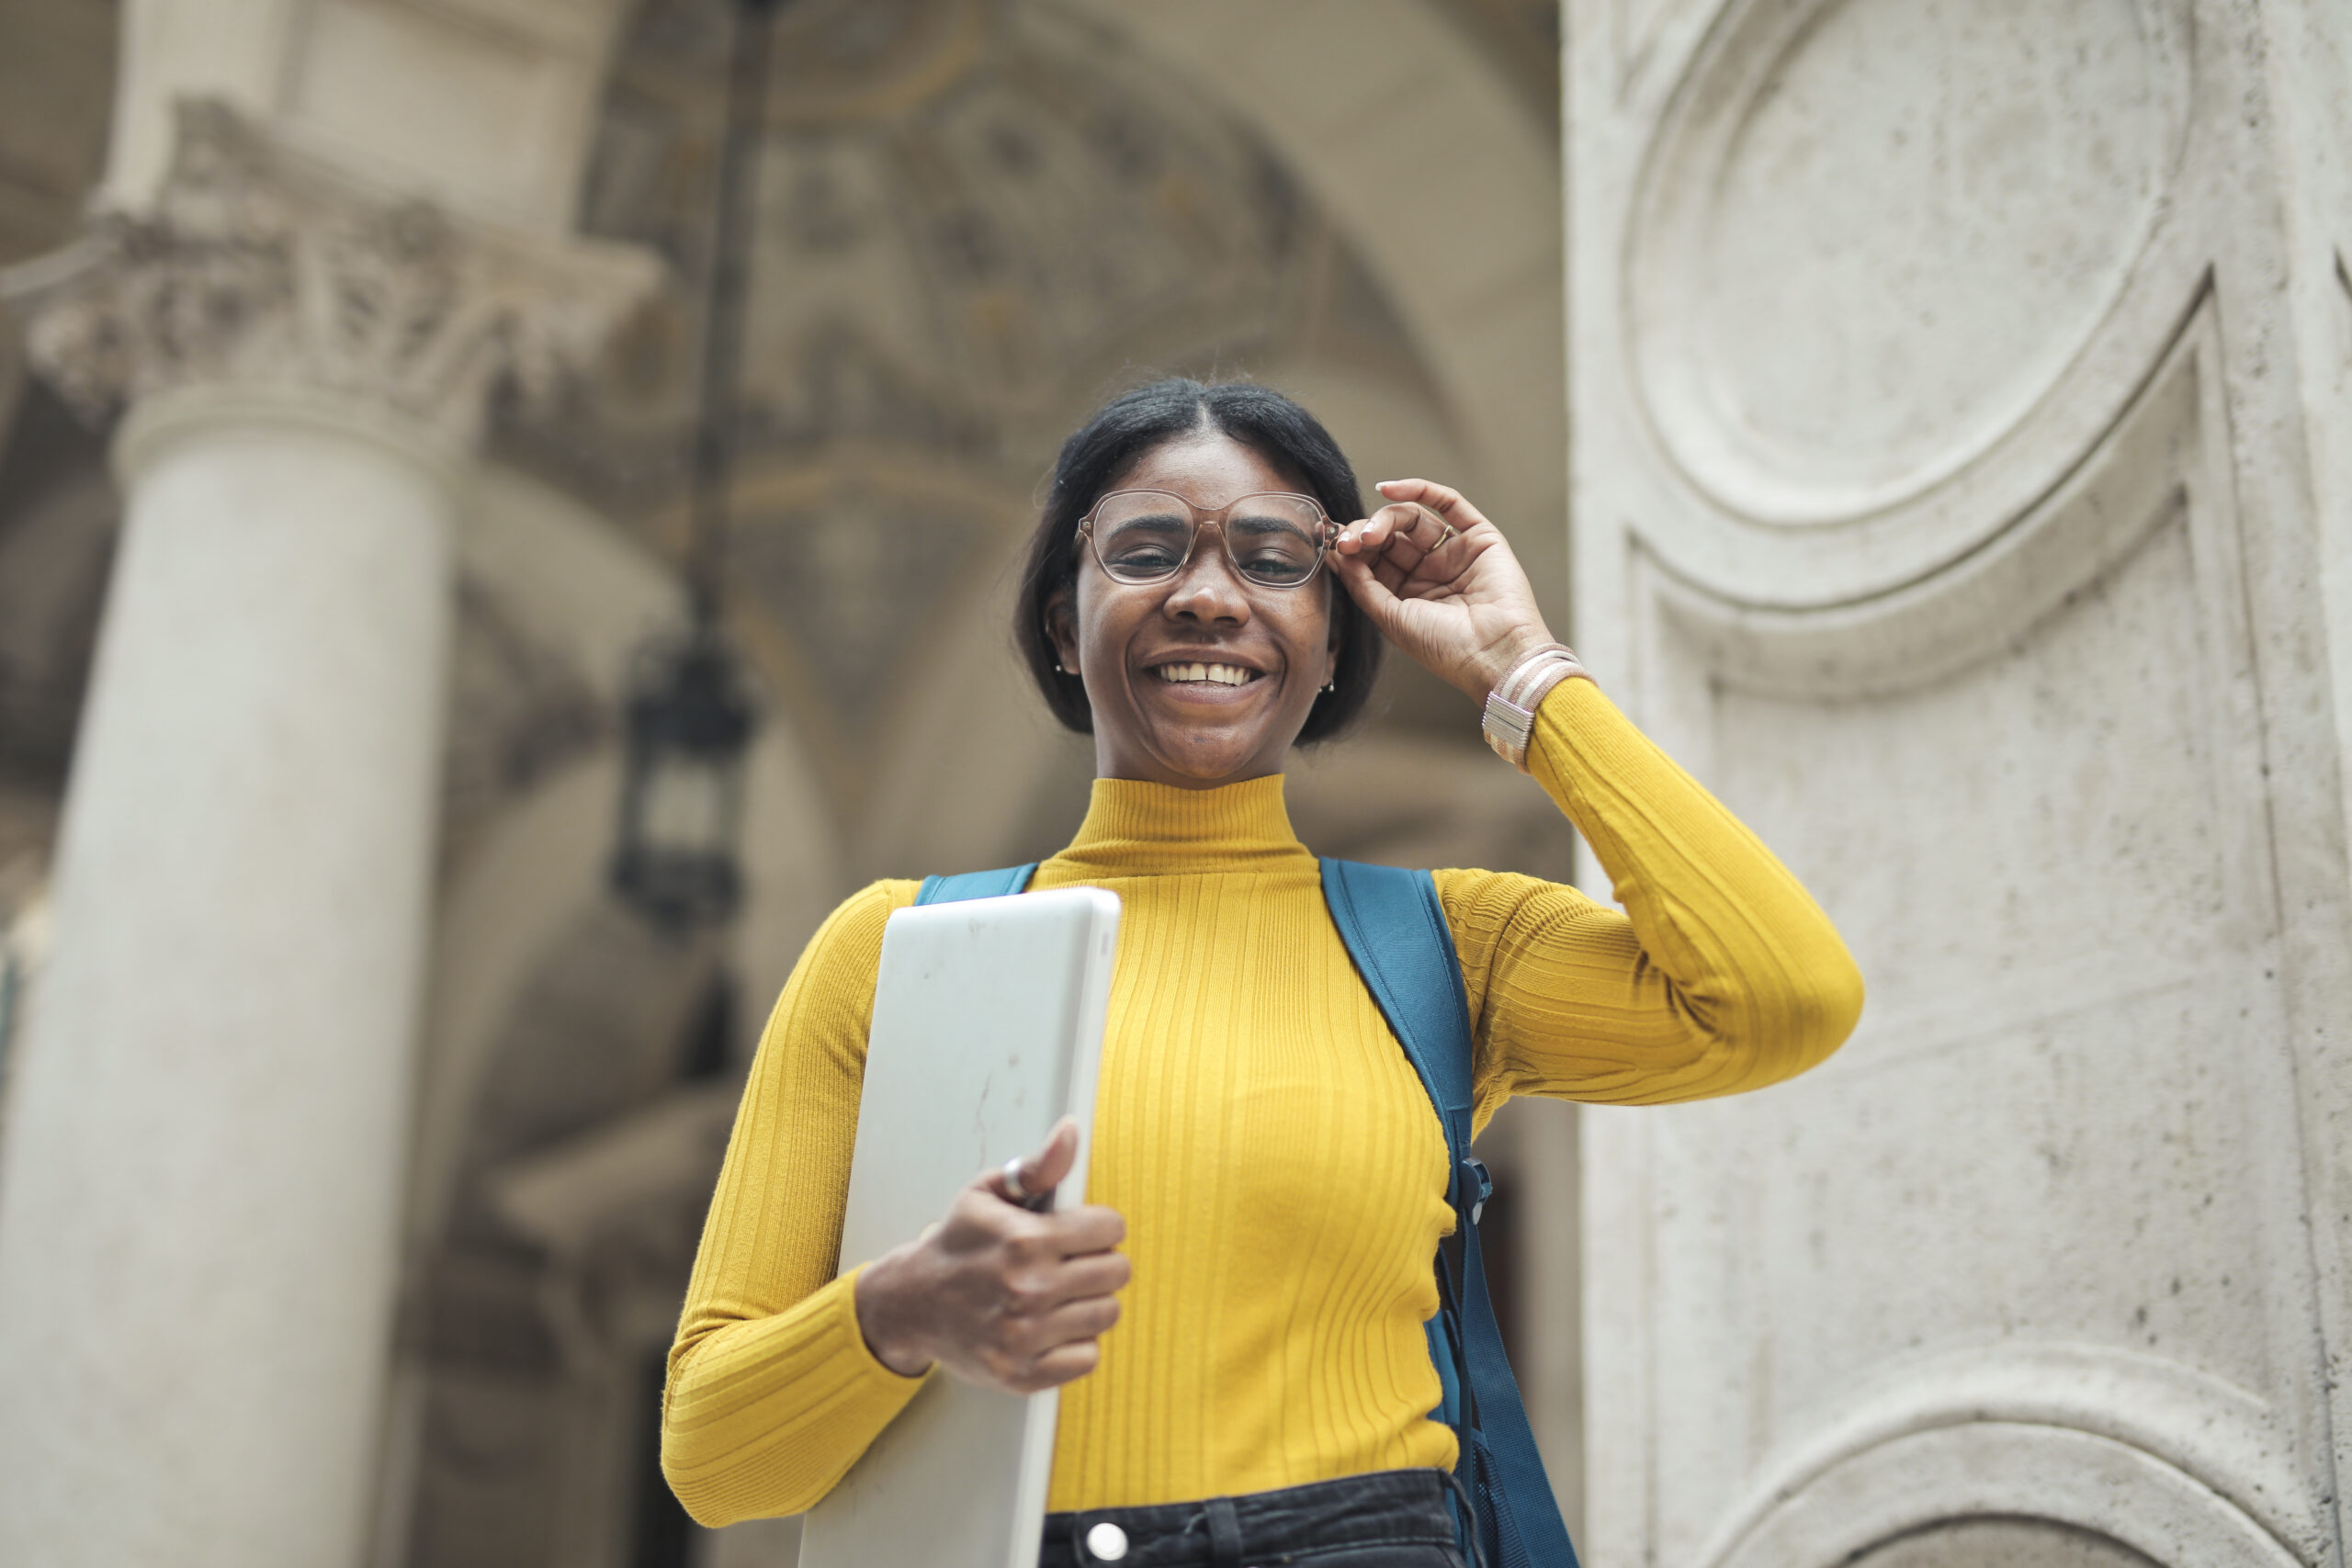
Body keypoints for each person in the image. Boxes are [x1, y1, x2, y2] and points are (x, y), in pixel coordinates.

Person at [661, 379, 1864, 1566]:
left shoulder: (1447, 949)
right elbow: (713, 1460)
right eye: (1145, 550)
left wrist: (1527, 676)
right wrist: (900, 1311)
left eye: (1273, 558)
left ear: (1334, 637)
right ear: (1056, 629)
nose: (1206, 597)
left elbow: (1783, 999)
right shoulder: (890, 957)